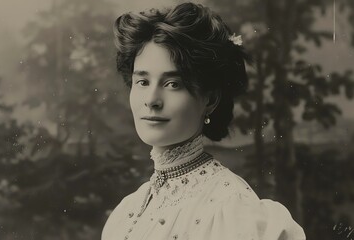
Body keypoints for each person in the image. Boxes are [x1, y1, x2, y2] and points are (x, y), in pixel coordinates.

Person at [102, 2, 306, 240]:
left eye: (173, 84)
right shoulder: (128, 211)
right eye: (143, 82)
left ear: (210, 99)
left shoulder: (232, 210)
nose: (151, 100)